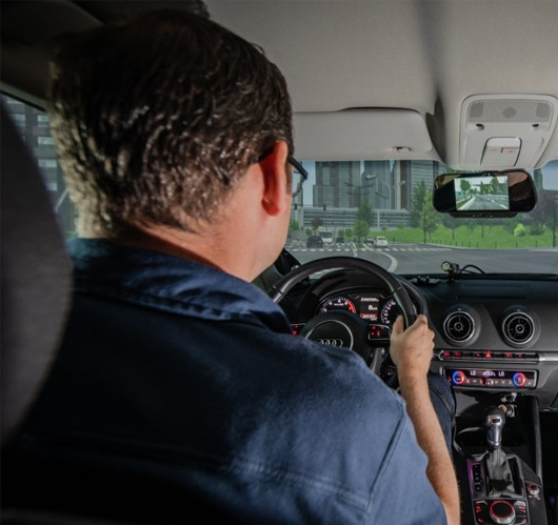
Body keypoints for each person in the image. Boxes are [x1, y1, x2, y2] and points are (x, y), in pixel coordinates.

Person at [4, 10, 459, 525]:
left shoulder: (14, 356)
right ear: (271, 176)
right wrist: (413, 378)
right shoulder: (343, 419)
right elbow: (444, 516)